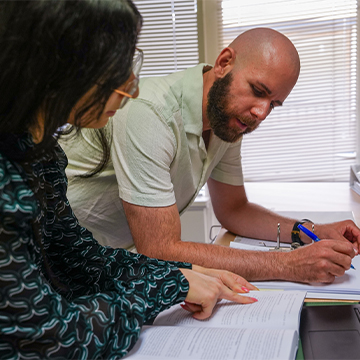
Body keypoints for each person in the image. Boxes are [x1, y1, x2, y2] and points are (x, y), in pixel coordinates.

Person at [0, 1, 257, 359]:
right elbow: (53, 338)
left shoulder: (40, 150)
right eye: (117, 66)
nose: (131, 88)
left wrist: (174, 277)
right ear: (54, 63)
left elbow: (78, 259)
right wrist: (162, 287)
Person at [61, 27, 359, 285]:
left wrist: (310, 231)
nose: (261, 113)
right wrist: (286, 265)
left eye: (273, 105)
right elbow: (159, 249)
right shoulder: (149, 110)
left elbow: (234, 210)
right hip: (61, 266)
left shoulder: (227, 120)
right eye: (257, 90)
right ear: (224, 62)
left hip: (111, 261)